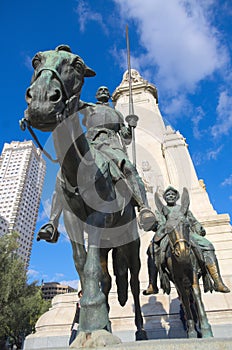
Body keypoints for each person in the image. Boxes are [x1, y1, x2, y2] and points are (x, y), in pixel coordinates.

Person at [80, 86, 156, 231]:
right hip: (89, 144)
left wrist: (131, 127)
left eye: (105, 91)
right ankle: (54, 219)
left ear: (109, 96)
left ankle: (144, 208)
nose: (102, 91)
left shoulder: (117, 114)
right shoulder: (88, 107)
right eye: (100, 90)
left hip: (111, 145)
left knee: (128, 167)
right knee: (68, 169)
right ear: (96, 95)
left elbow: (126, 138)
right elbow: (68, 105)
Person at [143, 186, 230, 295]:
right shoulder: (160, 211)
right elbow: (159, 224)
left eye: (173, 195)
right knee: (152, 250)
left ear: (176, 197)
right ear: (165, 198)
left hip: (186, 234)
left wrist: (199, 227)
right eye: (168, 195)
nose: (170, 196)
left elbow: (193, 222)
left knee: (208, 245)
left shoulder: (183, 209)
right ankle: (152, 285)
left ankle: (217, 281)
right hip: (168, 235)